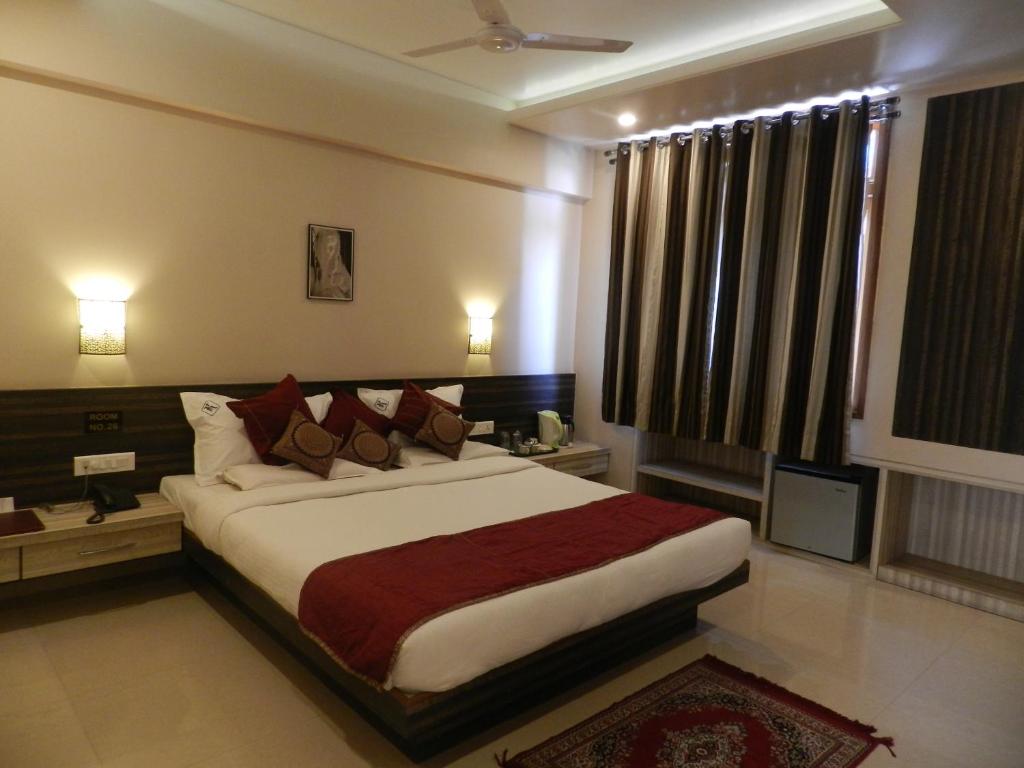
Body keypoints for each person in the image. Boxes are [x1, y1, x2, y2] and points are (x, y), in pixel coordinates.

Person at [309, 227, 352, 299]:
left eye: (337, 248)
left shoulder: (342, 271)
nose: (335, 254)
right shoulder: (312, 275)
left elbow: (352, 294)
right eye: (330, 248)